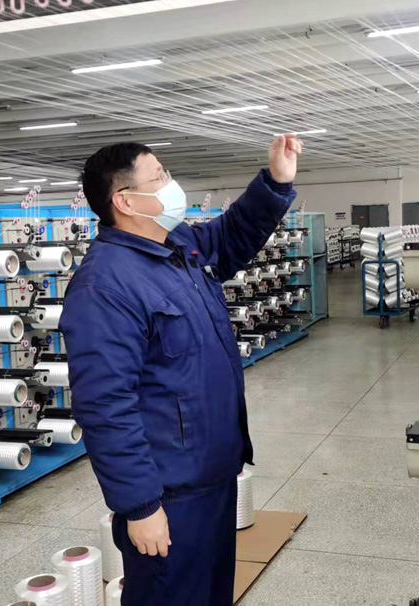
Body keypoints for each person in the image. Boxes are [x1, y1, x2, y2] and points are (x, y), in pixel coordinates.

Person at [59, 135, 303, 606]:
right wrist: (140, 507)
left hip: (213, 477)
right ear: (125, 201)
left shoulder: (177, 246)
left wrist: (275, 182)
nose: (171, 184)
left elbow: (231, 235)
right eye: (159, 177)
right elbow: (105, 406)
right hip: (170, 497)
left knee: (211, 594)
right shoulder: (104, 286)